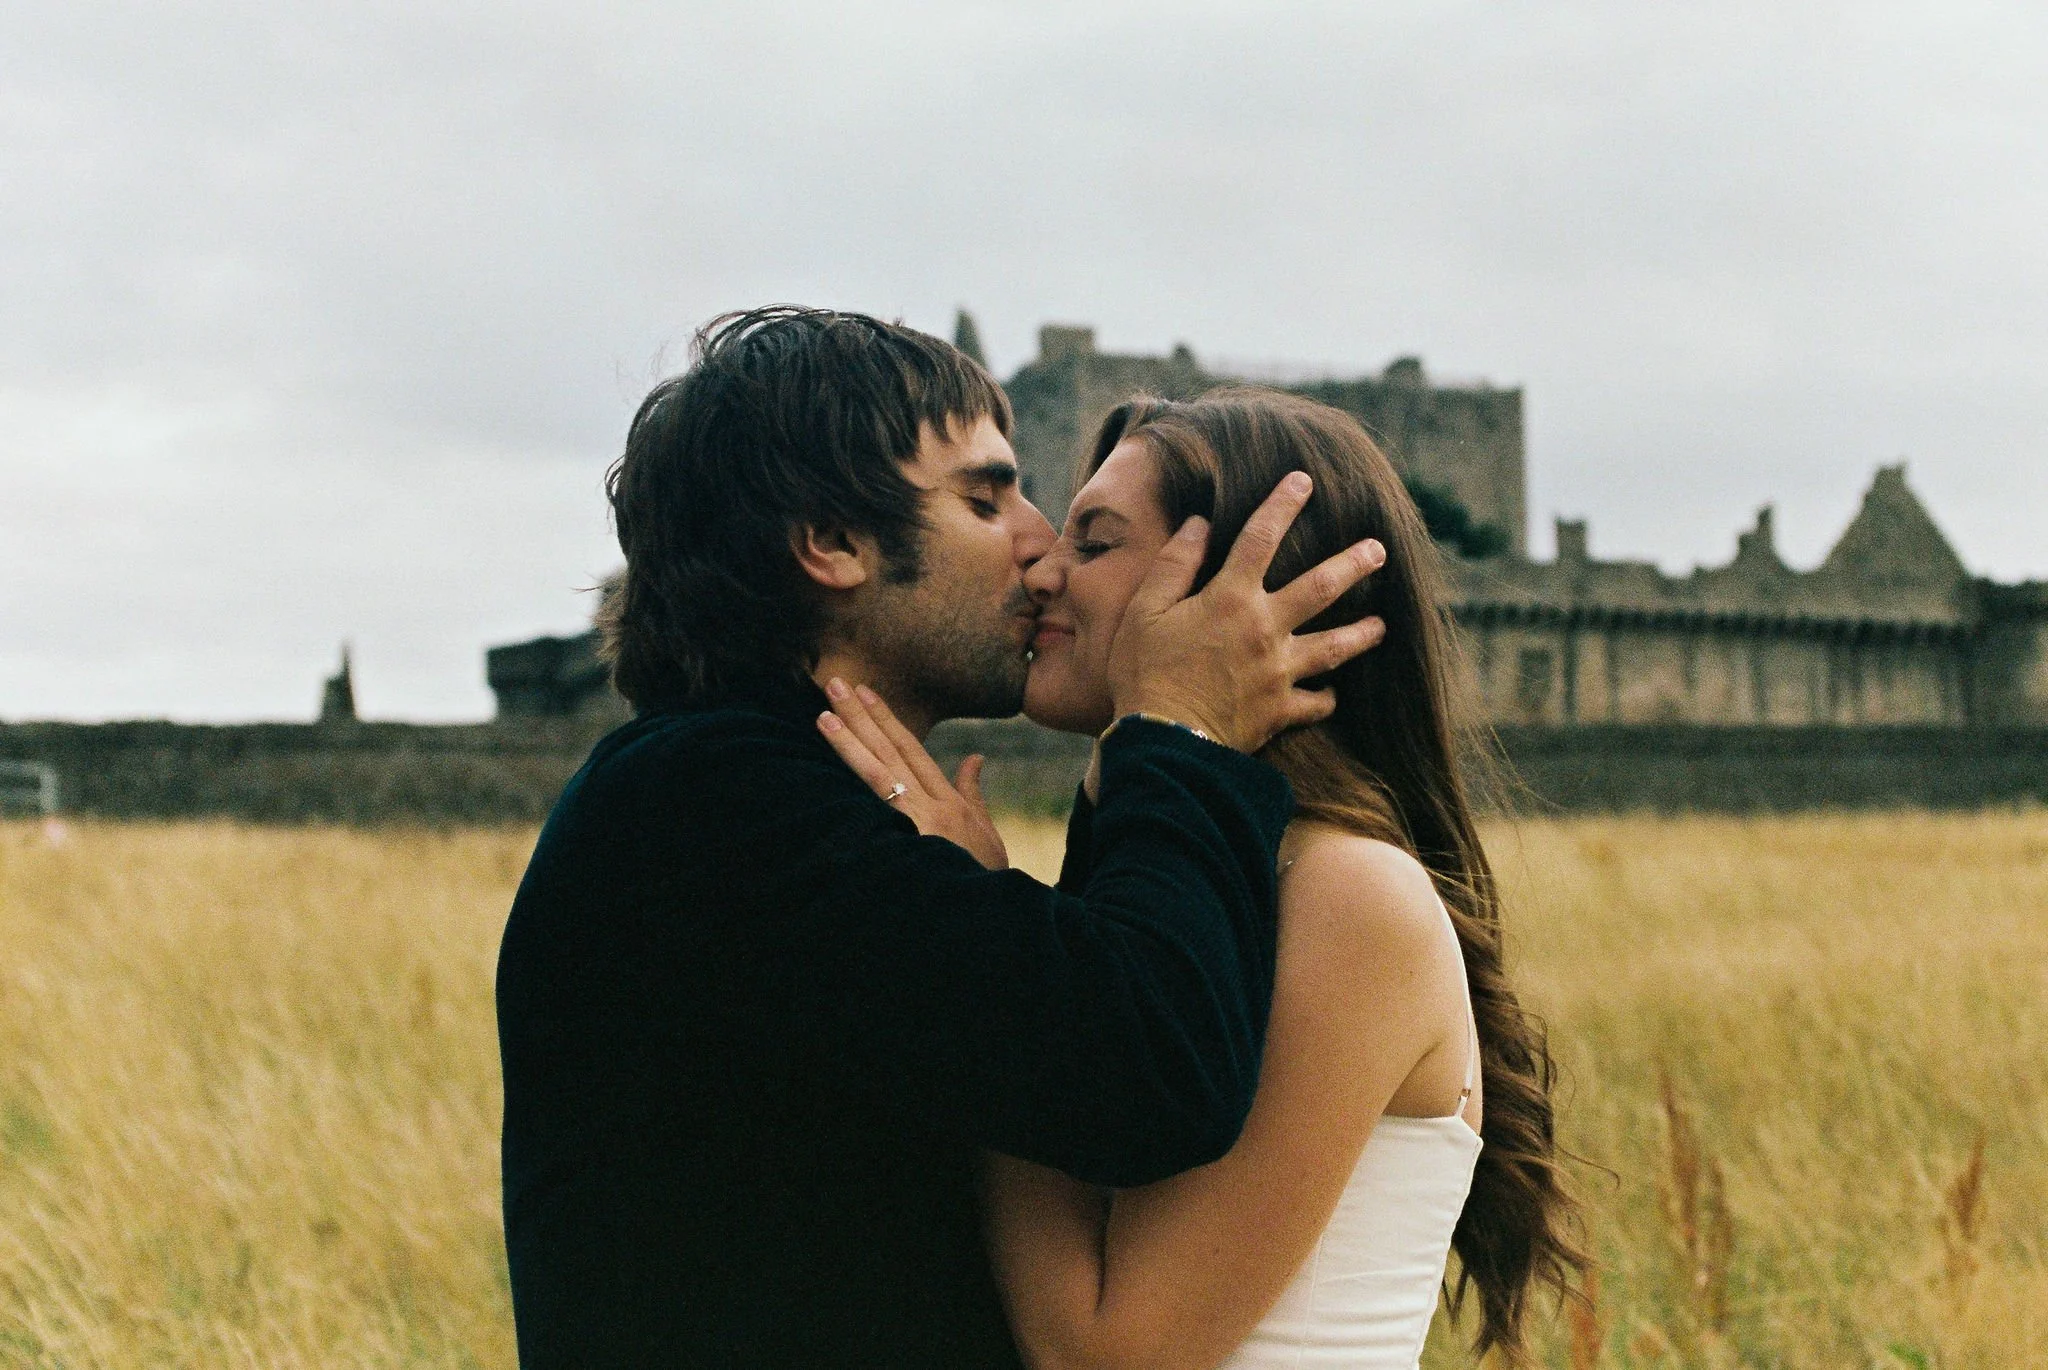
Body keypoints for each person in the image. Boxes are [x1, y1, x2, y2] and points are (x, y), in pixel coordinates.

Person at [493, 308, 1388, 1367]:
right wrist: (1178, 732)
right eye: (983, 495)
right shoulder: (716, 808)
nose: (1039, 544)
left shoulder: (747, 798)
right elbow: (1150, 1068)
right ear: (829, 541)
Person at [819, 388, 1586, 1369]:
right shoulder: (1207, 880)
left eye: (1093, 542)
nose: (1042, 568)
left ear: (1242, 586)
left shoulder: (1346, 892)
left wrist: (984, 942)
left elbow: (1102, 1351)